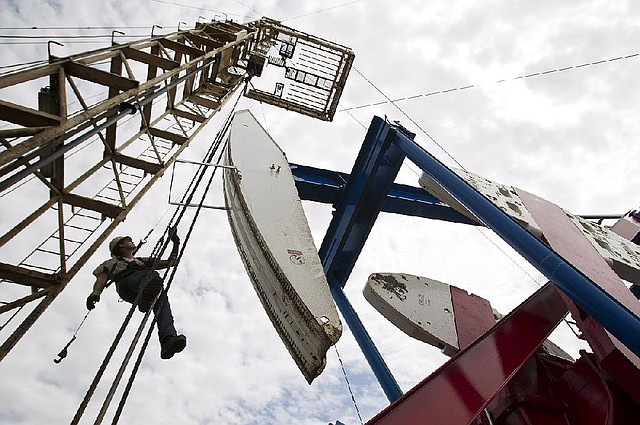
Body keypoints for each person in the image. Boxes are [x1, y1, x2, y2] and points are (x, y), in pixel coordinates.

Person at [87, 228, 187, 360]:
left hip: (146, 285)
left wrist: (175, 243)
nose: (132, 241)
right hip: (127, 285)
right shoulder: (112, 263)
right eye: (128, 241)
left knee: (162, 301)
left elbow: (171, 262)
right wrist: (95, 292)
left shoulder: (141, 261)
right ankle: (146, 297)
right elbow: (102, 278)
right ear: (121, 245)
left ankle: (168, 339)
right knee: (152, 276)